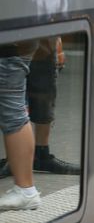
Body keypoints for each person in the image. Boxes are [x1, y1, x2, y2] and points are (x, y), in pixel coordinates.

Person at [0, 37, 81, 178]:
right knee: (13, 101)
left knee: (45, 94)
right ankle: (14, 157)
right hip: (14, 44)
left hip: (42, 41)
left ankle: (41, 153)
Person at [0, 42, 42, 210]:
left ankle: (25, 190)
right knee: (13, 111)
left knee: (12, 113)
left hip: (8, 49)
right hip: (17, 44)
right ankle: (25, 190)